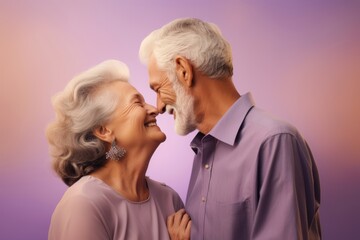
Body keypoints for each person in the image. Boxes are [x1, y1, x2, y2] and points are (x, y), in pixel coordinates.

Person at [139, 18, 321, 239]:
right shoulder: (203, 149)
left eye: (158, 88)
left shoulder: (274, 141)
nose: (158, 106)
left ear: (183, 70)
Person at [46, 59, 190, 240]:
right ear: (103, 131)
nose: (154, 109)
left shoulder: (169, 199)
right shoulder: (83, 204)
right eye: (138, 103)